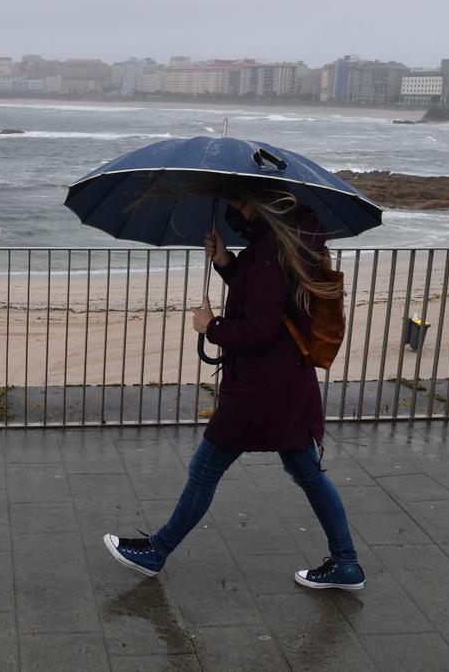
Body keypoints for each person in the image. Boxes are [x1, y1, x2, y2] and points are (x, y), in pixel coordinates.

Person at [103, 187, 365, 591]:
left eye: (235, 202)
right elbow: (269, 299)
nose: (231, 211)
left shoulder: (267, 251)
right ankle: (347, 563)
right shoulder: (284, 242)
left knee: (206, 467)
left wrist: (212, 328)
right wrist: (225, 261)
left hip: (262, 389)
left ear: (254, 204)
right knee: (307, 471)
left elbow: (259, 329)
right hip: (288, 382)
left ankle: (157, 550)